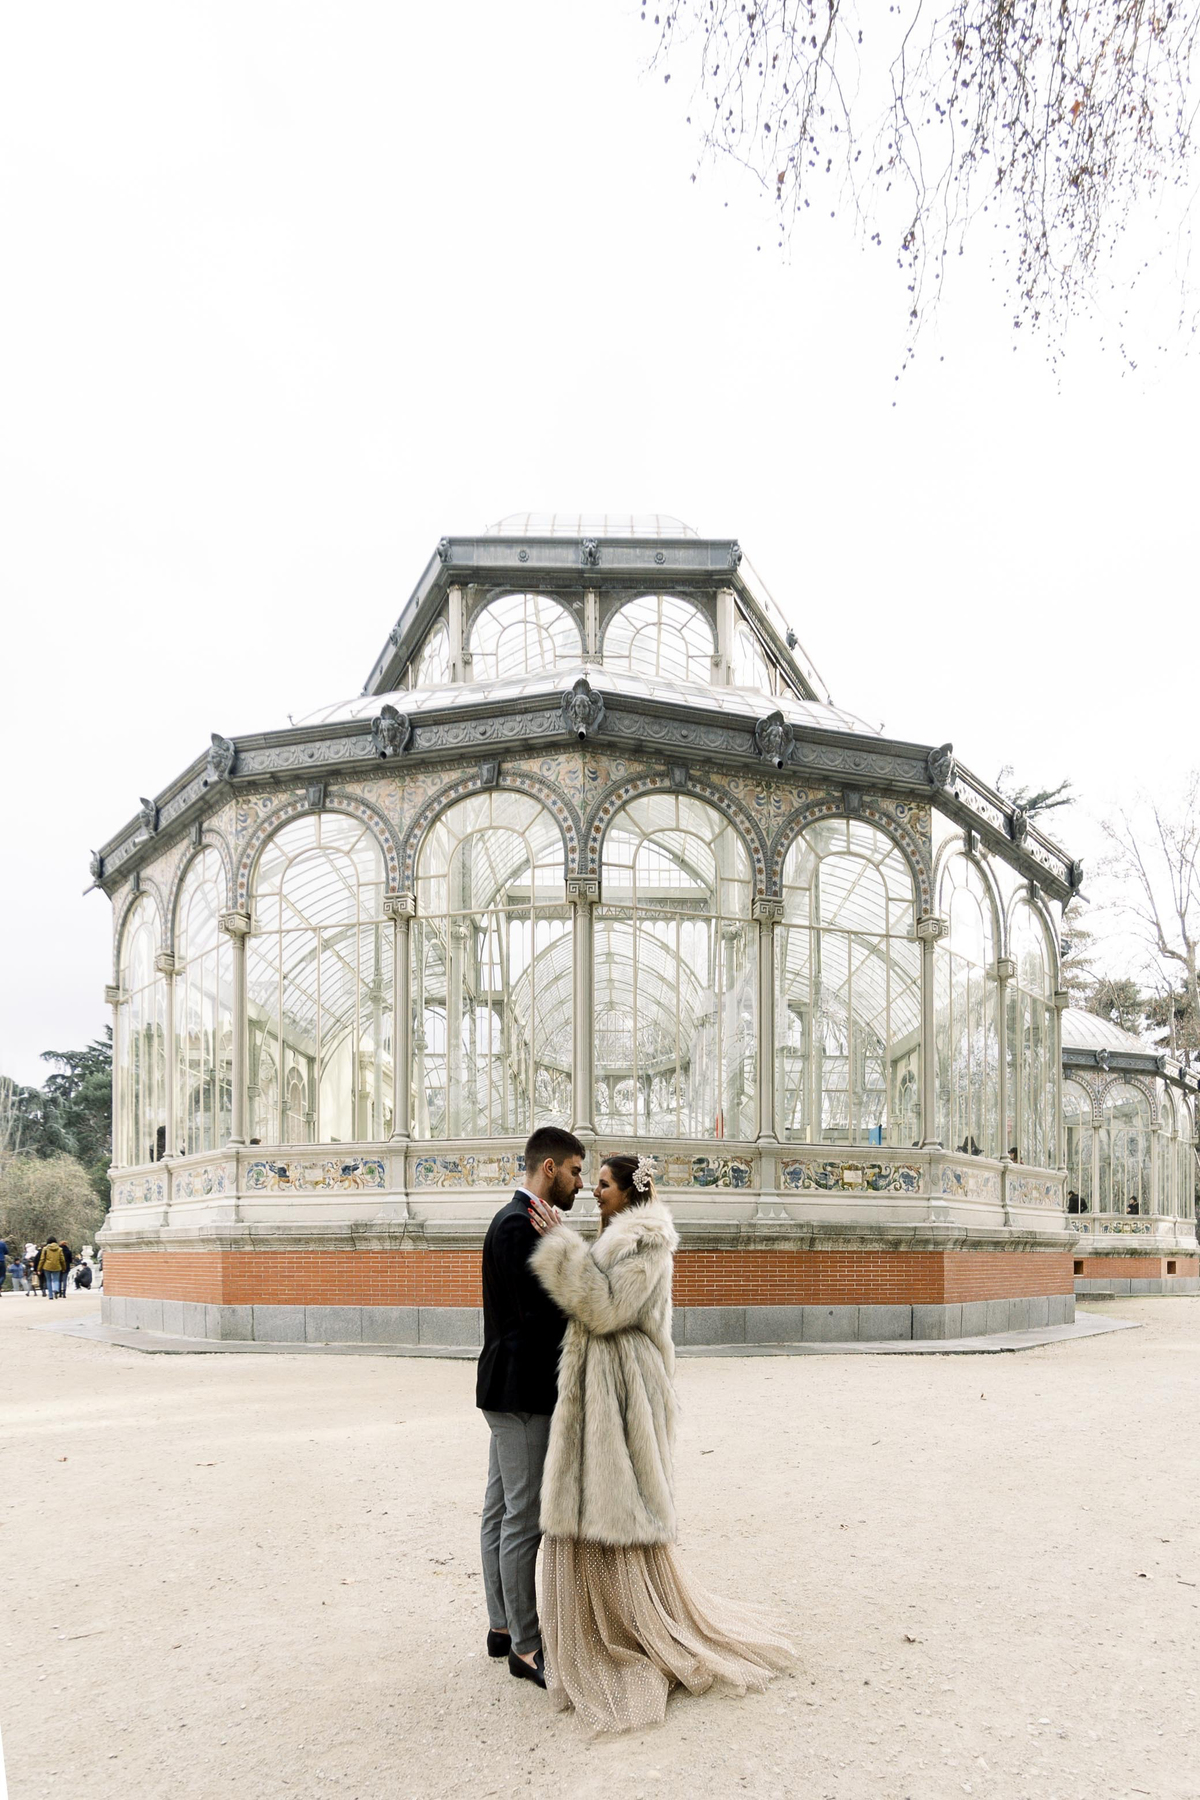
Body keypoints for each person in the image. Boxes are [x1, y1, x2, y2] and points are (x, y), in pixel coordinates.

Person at [528, 1154, 794, 1734]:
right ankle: (598, 1623)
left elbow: (604, 1308)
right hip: (602, 1387)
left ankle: (631, 1626)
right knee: (595, 1502)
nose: (594, 1191)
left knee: (619, 1502)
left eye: (603, 1184)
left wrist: (560, 1245)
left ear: (630, 1192)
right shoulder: (618, 1237)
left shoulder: (646, 1241)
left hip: (624, 1391)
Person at [476, 1124, 586, 1690]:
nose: (580, 1183)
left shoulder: (510, 1219)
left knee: (500, 1510)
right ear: (549, 1168)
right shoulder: (522, 1225)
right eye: (575, 1171)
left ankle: (501, 1626)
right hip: (523, 1393)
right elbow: (543, 1319)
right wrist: (569, 1250)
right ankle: (525, 1645)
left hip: (505, 1390)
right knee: (523, 1519)